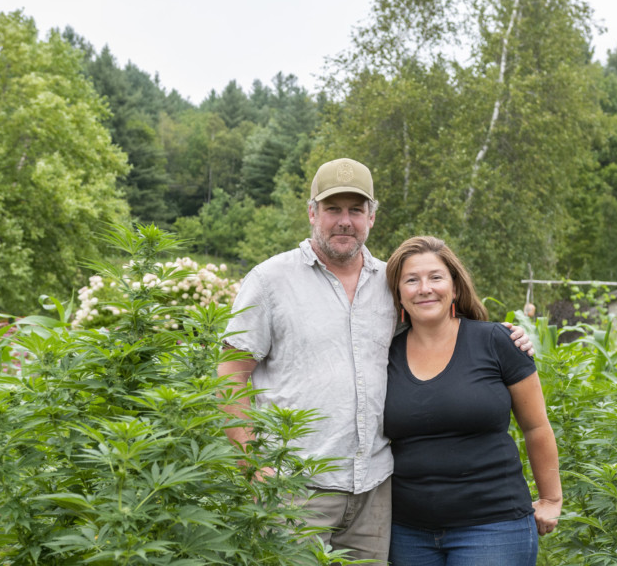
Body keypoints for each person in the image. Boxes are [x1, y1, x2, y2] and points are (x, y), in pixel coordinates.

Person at [218, 159, 534, 564]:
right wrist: (254, 466)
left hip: (376, 491)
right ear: (312, 212)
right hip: (294, 488)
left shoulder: (392, 283)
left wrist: (507, 337)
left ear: (372, 216)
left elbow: (442, 329)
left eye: (355, 209)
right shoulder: (269, 281)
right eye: (333, 209)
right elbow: (230, 375)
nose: (344, 221)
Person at [384, 236, 561, 566]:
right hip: (407, 533)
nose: (424, 288)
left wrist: (551, 499)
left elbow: (536, 426)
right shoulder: (383, 355)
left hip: (493, 528)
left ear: (454, 286)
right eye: (411, 279)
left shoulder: (497, 342)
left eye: (436, 277)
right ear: (398, 292)